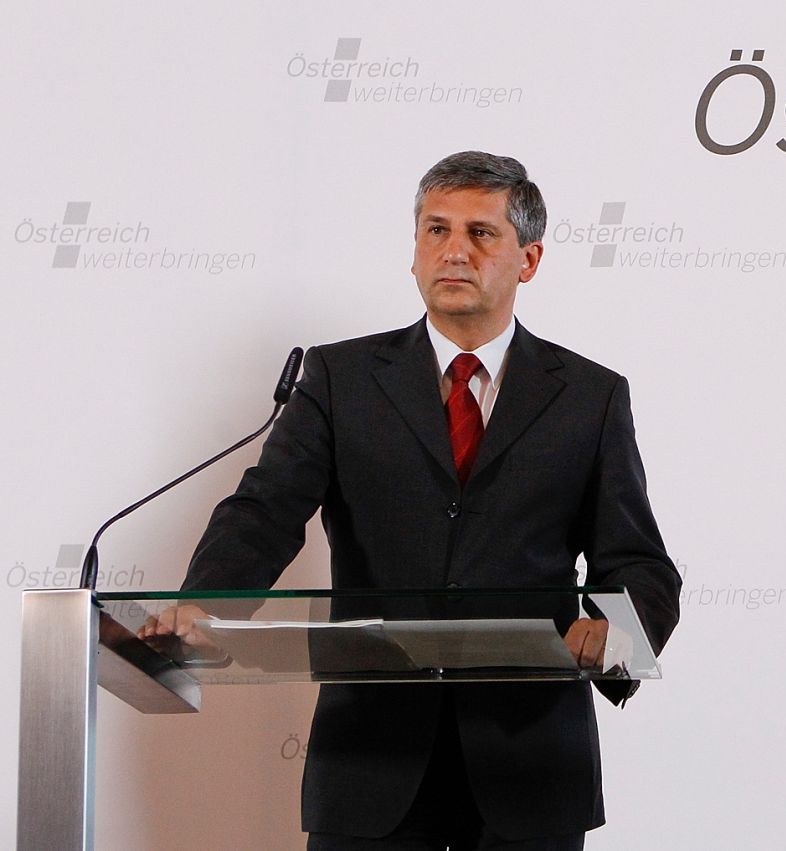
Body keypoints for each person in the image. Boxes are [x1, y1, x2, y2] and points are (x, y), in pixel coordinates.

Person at [144, 151, 681, 849]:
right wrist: (204, 602)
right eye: (435, 230)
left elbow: (639, 562)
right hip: (371, 761)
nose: (453, 251)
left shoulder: (589, 395)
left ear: (530, 258)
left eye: (480, 234)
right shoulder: (339, 378)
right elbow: (264, 511)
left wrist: (618, 631)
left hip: (530, 767)